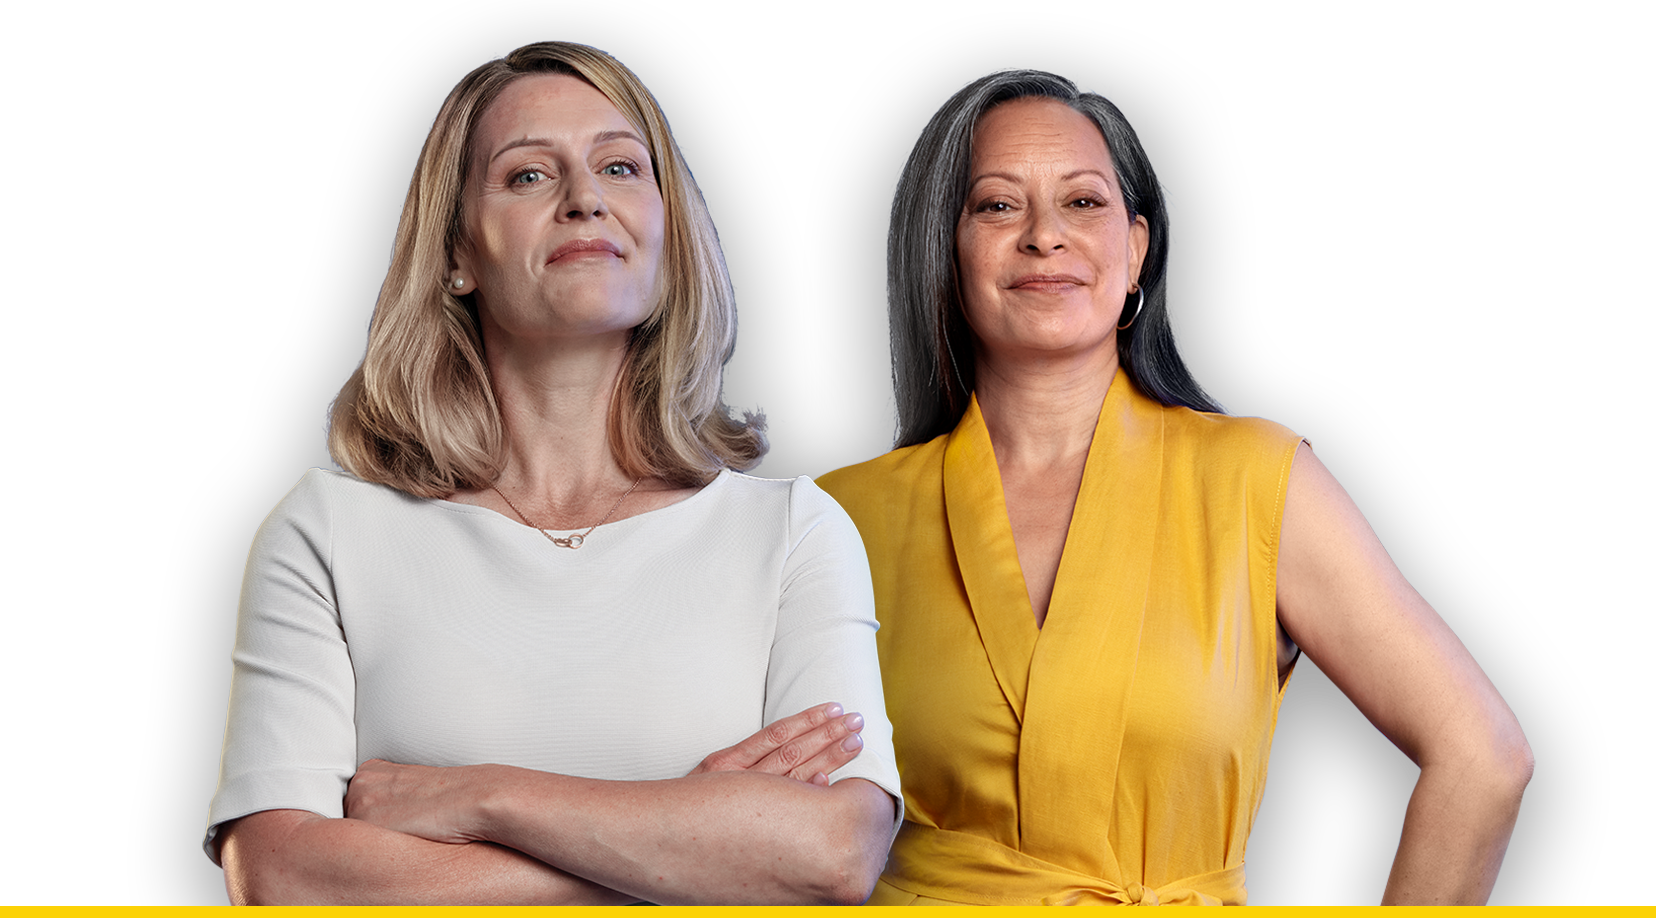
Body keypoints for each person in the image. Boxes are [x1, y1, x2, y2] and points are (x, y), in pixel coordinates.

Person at [203, 40, 898, 905]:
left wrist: (480, 798)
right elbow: (280, 877)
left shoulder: (793, 531)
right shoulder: (325, 531)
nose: (584, 199)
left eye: (620, 167)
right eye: (528, 175)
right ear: (456, 252)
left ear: (668, 236)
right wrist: (688, 837)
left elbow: (835, 855)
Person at [816, 68, 1532, 906]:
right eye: (998, 205)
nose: (1045, 236)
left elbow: (1484, 757)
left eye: (1083, 201)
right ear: (944, 250)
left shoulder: (1257, 480)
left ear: (1135, 251)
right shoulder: (841, 517)